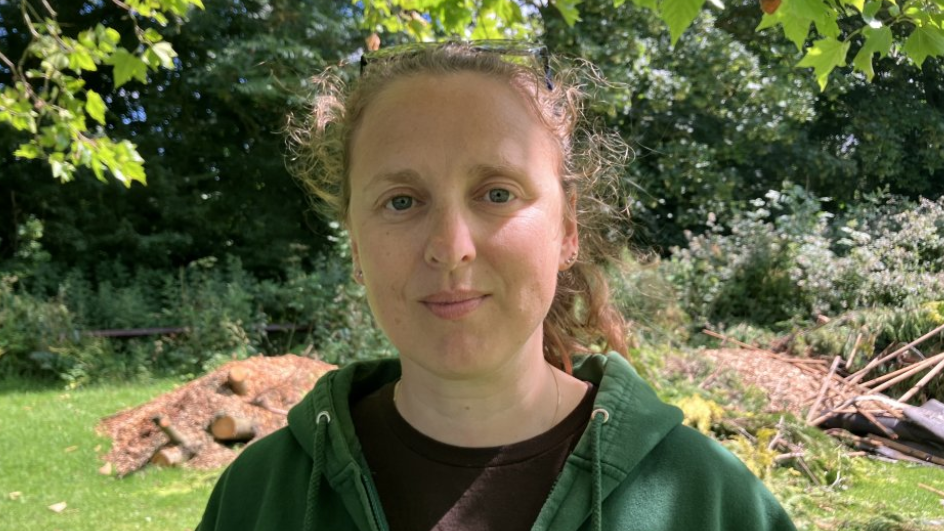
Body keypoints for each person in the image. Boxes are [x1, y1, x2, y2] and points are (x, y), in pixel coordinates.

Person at [197, 41, 797, 531]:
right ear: (356, 246)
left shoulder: (713, 504)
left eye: (498, 193)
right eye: (401, 200)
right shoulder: (256, 500)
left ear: (567, 230)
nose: (451, 244)